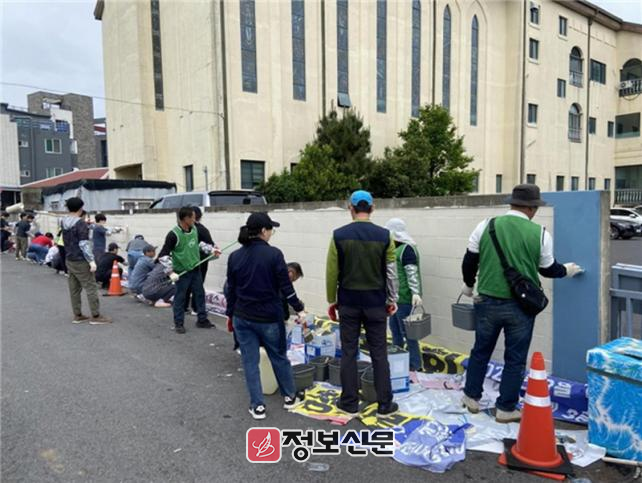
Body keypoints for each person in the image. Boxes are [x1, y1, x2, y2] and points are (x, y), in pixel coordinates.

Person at [460, 184, 582, 423]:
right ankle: (505, 409)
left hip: (487, 301)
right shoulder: (540, 233)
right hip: (521, 306)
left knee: (480, 350)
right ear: (532, 208)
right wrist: (566, 270)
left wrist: (468, 284)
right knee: (515, 358)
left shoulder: (486, 225)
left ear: (512, 203)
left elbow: (469, 260)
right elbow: (548, 269)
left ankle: (471, 398)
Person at [225, 212, 306, 420]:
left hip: (242, 316)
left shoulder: (235, 256)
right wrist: (299, 308)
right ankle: (290, 397)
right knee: (278, 357)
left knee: (250, 362)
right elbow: (286, 287)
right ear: (263, 230)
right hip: (269, 317)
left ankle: (257, 406)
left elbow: (231, 290)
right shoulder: (274, 255)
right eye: (270, 229)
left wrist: (230, 314)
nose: (271, 233)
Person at [326, 190, 399, 416]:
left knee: (349, 351)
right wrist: (392, 298)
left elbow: (332, 272)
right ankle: (385, 404)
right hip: (376, 303)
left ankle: (349, 402)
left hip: (348, 303)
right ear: (372, 208)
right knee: (379, 353)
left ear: (351, 208)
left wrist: (332, 300)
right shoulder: (385, 236)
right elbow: (391, 272)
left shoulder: (338, 235)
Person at [157, 206, 217, 333]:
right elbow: (163, 255)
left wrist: (211, 250)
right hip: (182, 272)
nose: (195, 220)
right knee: (180, 297)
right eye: (193, 218)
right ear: (185, 218)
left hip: (195, 268)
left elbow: (198, 244)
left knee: (199, 294)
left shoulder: (194, 229)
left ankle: (202, 319)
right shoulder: (173, 235)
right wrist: (170, 272)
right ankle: (178, 323)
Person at [61, 197, 111, 324]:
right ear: (80, 208)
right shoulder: (80, 223)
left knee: (74, 288)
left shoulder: (63, 221)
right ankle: (96, 316)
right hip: (81, 259)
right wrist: (91, 261)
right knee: (91, 287)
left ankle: (77, 315)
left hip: (69, 258)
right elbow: (83, 244)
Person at [385, 218, 424, 372]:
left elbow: (411, 272)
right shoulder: (395, 249)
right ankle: (398, 360)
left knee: (408, 334)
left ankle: (415, 365)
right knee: (395, 330)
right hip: (394, 299)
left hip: (405, 299)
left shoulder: (406, 249)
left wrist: (415, 292)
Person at [184, 206, 215, 314]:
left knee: (186, 283)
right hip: (200, 261)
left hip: (185, 260)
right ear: (200, 216)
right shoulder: (202, 230)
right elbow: (210, 246)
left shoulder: (183, 229)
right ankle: (196, 308)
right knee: (197, 285)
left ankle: (184, 307)